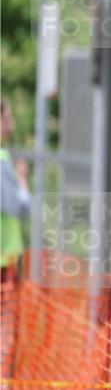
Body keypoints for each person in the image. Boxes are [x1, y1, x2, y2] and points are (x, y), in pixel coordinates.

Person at [0, 99, 31, 283]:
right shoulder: (2, 159)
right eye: (7, 118)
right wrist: (22, 179)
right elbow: (17, 207)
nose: (11, 124)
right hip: (5, 256)